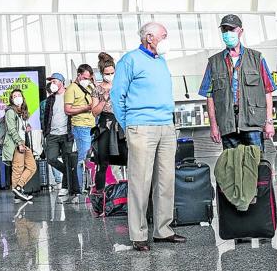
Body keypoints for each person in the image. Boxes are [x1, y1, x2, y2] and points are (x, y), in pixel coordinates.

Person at [111, 22, 186, 252]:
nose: (167, 40)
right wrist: (129, 125)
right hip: (141, 126)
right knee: (140, 182)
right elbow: (117, 96)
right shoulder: (130, 60)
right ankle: (138, 234)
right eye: (164, 36)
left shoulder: (160, 61)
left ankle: (163, 230)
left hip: (166, 125)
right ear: (150, 37)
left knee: (165, 180)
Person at [198, 14, 277, 151]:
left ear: (241, 31)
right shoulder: (214, 62)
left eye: (232, 29)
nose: (228, 33)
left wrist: (269, 122)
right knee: (231, 167)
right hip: (227, 125)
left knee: (255, 165)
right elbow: (209, 96)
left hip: (252, 123)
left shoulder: (257, 58)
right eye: (224, 30)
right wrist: (213, 126)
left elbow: (267, 91)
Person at [91, 52, 126, 193]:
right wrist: (104, 99)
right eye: (107, 73)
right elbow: (94, 112)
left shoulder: (121, 86)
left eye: (112, 72)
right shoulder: (97, 90)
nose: (110, 75)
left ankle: (130, 192)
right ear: (102, 73)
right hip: (105, 126)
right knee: (102, 161)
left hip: (121, 125)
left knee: (128, 157)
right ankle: (100, 194)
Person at [42, 73, 76, 203]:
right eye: (51, 82)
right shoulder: (50, 99)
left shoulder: (69, 95)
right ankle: (69, 175)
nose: (52, 84)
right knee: (51, 158)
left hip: (66, 133)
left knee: (68, 160)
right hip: (52, 134)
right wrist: (46, 132)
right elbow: (46, 117)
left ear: (62, 82)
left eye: (55, 81)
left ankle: (66, 186)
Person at [64, 64, 96, 197]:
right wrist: (84, 108)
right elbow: (67, 110)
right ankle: (81, 186)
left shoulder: (89, 87)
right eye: (85, 77)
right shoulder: (71, 89)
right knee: (83, 157)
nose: (87, 80)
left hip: (92, 124)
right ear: (78, 75)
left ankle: (89, 184)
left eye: (89, 78)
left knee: (91, 157)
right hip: (80, 126)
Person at [2, 89, 36, 202]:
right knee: (18, 168)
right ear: (11, 99)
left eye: (19, 95)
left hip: (24, 143)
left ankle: (18, 188)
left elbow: (20, 128)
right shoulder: (10, 112)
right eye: (14, 96)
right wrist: (19, 143)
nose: (17, 97)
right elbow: (11, 129)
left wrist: (27, 128)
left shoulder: (22, 112)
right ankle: (17, 195)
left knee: (32, 166)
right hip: (16, 144)